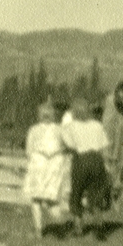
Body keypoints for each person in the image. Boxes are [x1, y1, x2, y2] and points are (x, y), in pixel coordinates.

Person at [60, 98, 112, 235]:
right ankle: (99, 225)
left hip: (81, 160)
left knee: (76, 193)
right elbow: (104, 146)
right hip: (96, 160)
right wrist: (106, 165)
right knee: (96, 193)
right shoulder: (97, 125)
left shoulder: (71, 126)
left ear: (74, 113)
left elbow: (68, 145)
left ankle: (78, 226)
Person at [22, 101, 71, 237]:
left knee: (36, 198)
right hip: (54, 166)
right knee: (51, 200)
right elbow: (67, 146)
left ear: (40, 115)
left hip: (38, 164)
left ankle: (39, 229)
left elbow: (28, 151)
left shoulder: (33, 129)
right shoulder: (60, 129)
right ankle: (62, 225)